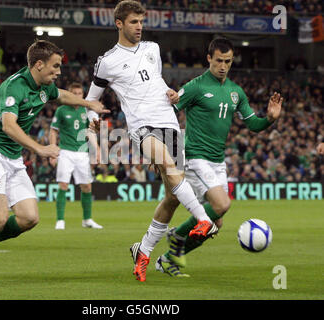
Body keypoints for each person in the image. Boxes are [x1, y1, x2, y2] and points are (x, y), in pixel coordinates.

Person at [0, 39, 108, 289]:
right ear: (39, 64)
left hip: (13, 159)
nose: (59, 72)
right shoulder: (14, 87)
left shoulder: (44, 87)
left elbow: (61, 95)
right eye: (55, 66)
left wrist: (88, 103)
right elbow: (8, 125)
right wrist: (40, 149)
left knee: (29, 218)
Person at [87, 0, 217, 282]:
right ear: (119, 23)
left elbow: (155, 81)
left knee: (172, 196)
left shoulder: (152, 49)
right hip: (141, 126)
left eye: (142, 22)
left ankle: (143, 249)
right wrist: (90, 118)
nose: (139, 27)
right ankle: (203, 219)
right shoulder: (107, 61)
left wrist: (170, 93)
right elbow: (91, 99)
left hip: (169, 121)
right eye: (134, 22)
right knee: (169, 168)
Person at [155, 37, 283, 277]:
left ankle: (168, 259)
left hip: (217, 161)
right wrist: (163, 149)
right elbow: (166, 114)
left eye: (228, 61)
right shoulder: (196, 86)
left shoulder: (236, 92)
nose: (223, 66)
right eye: (219, 61)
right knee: (222, 204)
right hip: (195, 157)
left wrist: (270, 119)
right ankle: (178, 235)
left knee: (215, 224)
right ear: (209, 59)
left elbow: (253, 124)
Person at [49, 82, 103, 230]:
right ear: (70, 94)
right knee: (63, 185)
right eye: (75, 93)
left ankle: (87, 219)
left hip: (82, 153)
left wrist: (97, 149)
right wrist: (53, 150)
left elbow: (90, 132)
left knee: (86, 186)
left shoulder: (86, 112)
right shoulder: (61, 110)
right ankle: (60, 220)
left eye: (80, 94)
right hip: (65, 152)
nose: (77, 96)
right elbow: (53, 131)